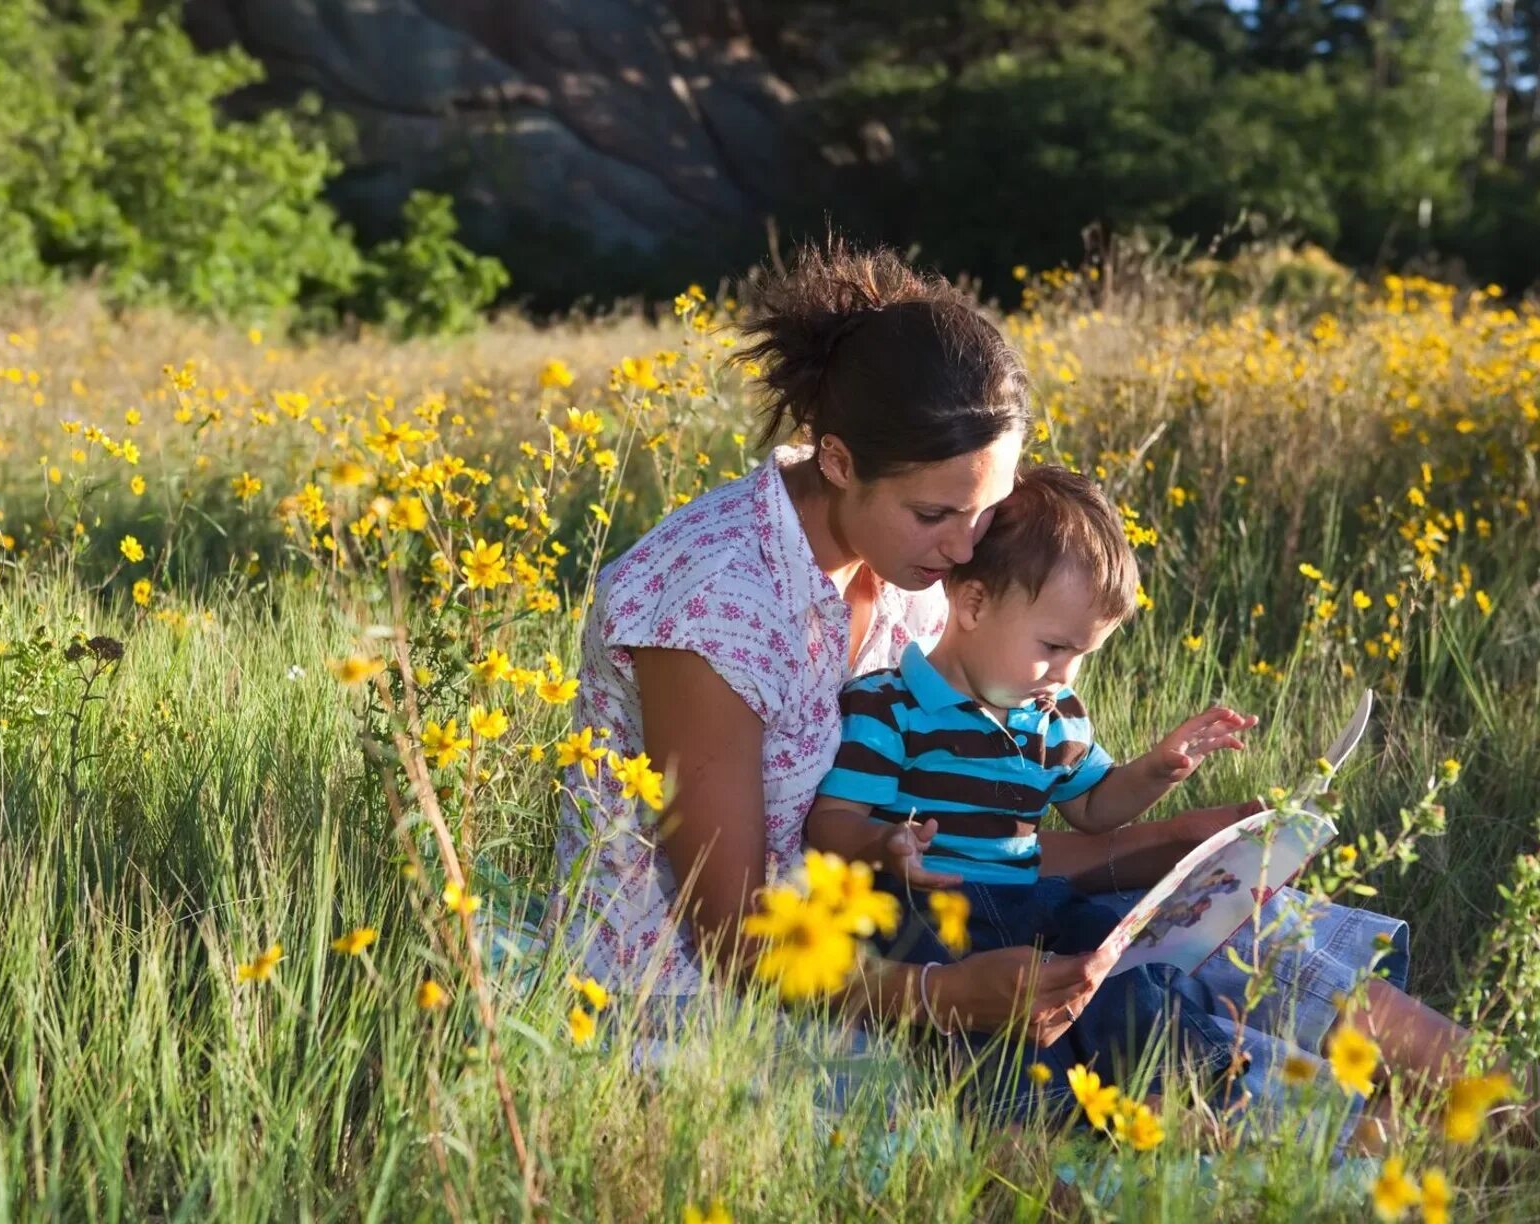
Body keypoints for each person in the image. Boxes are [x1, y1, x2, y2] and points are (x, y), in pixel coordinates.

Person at [552, 241, 1474, 1135]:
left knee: (1248, 927)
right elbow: (731, 941)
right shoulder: (716, 603)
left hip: (924, 919)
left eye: (984, 511)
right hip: (737, 986)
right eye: (935, 514)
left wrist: (1174, 848)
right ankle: (1359, 1140)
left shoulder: (913, 561)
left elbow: (979, 846)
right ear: (837, 461)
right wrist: (941, 997)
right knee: (1095, 1055)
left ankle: (1495, 1102)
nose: (965, 549)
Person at [803, 464, 1255, 1092]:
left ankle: (1186, 1084)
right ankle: (1024, 1118)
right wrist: (882, 845)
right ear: (974, 603)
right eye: (1054, 646)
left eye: (1081, 656)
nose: (1065, 675)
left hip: (1029, 898)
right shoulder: (888, 707)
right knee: (987, 1020)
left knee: (1107, 953)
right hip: (928, 912)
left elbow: (1094, 808)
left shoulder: (1051, 714)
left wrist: (1156, 771)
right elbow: (832, 822)